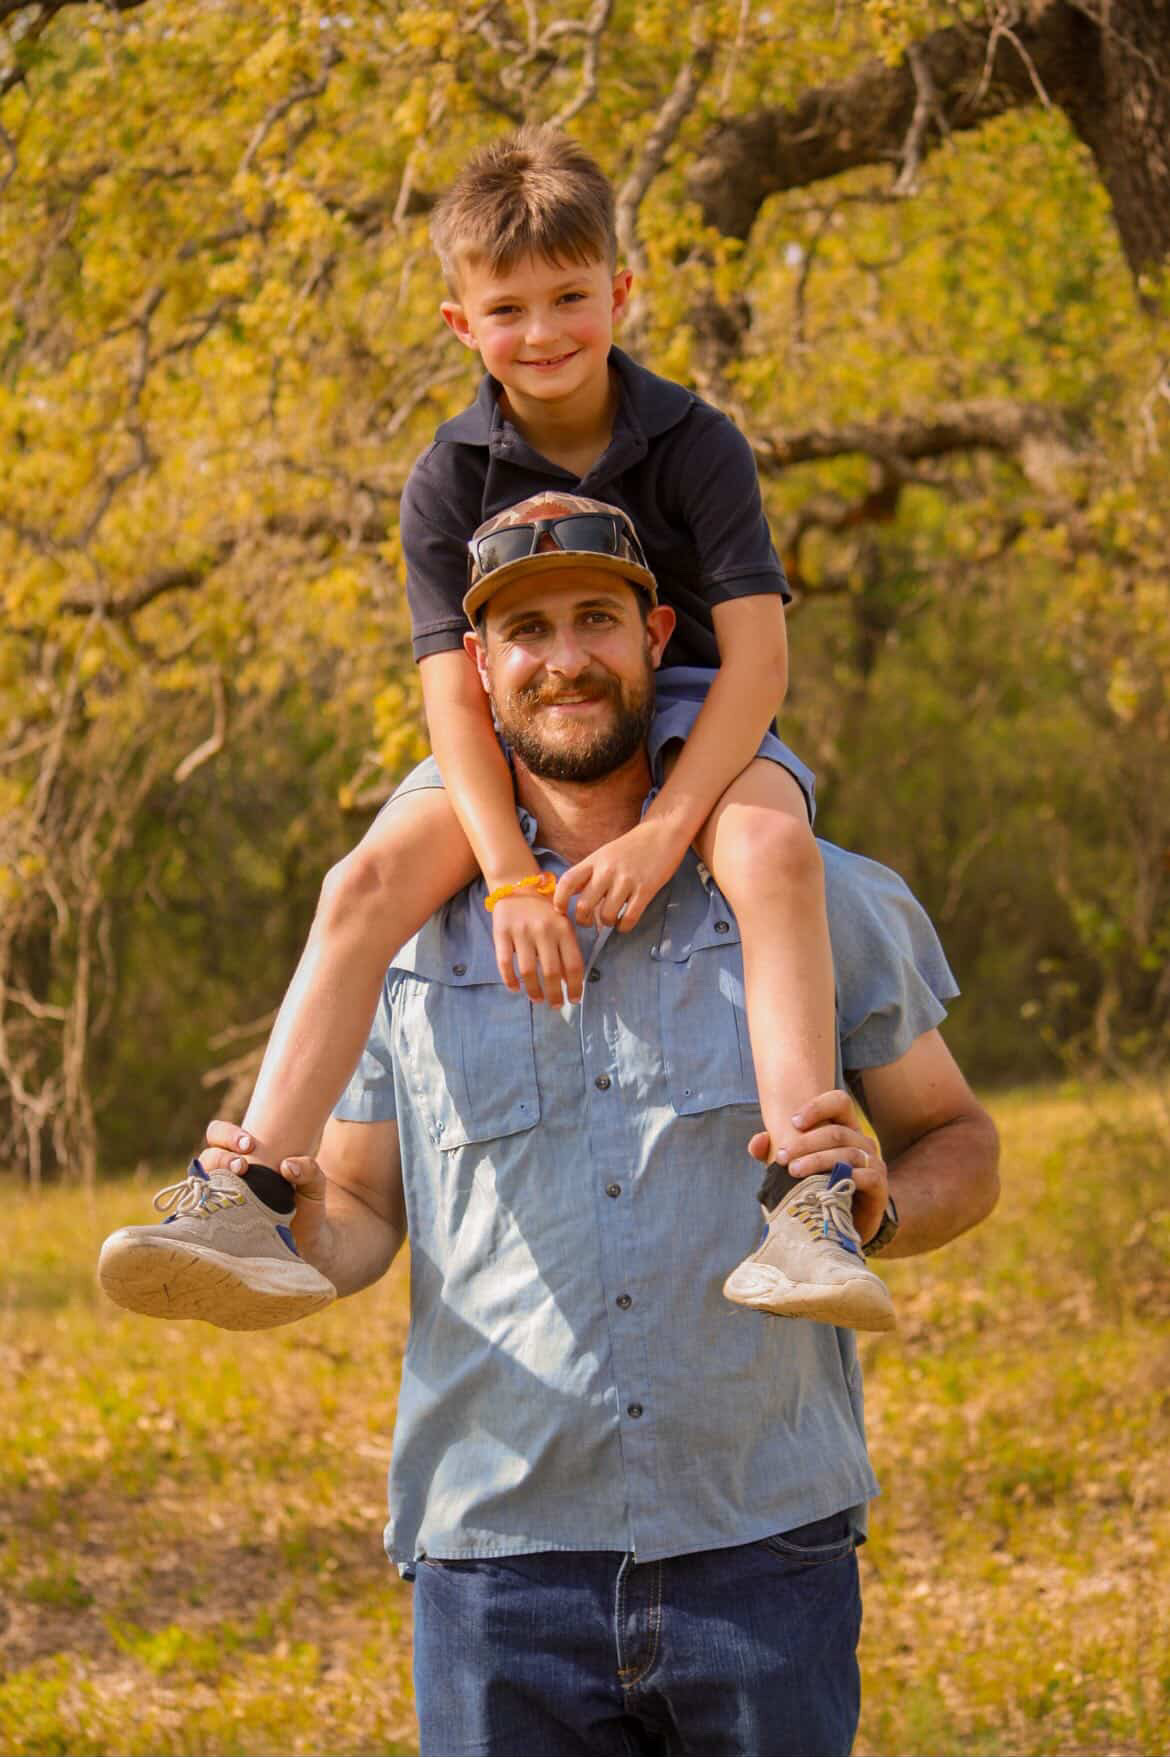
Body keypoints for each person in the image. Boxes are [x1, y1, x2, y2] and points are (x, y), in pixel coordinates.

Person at [190, 531, 999, 1757]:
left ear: (657, 640)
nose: (564, 659)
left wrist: (882, 1207)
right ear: (477, 665)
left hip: (762, 1545)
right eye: (526, 630)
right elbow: (358, 1208)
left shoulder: (816, 896)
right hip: (499, 1568)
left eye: (595, 620)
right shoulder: (397, 939)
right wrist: (290, 1219)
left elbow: (960, 1138)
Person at [105, 124, 856, 1329]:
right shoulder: (447, 476)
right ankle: (240, 1184)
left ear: (621, 290)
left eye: (571, 296)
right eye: (508, 308)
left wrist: (668, 832)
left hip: (688, 703)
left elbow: (760, 658)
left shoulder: (698, 443)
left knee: (771, 854)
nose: (546, 331)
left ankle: (809, 1194)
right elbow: (453, 692)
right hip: (518, 714)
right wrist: (510, 875)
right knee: (359, 883)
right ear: (462, 325)